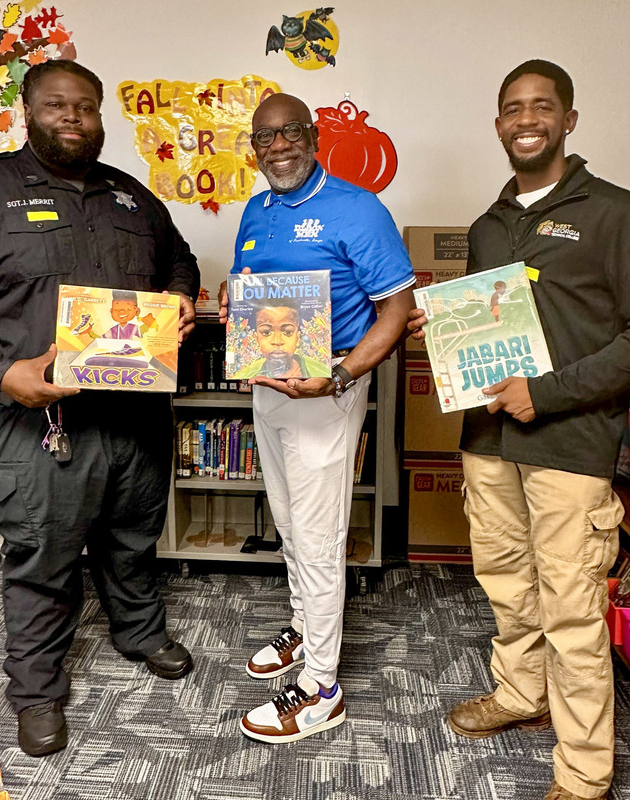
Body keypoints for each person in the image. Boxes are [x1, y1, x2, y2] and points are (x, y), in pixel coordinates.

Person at [0, 60, 200, 757]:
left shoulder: (129, 196)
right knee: (42, 555)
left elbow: (179, 259)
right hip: (30, 421)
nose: (71, 117)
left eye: (85, 106)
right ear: (27, 110)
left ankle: (141, 633)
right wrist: (3, 370)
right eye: (56, 105)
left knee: (131, 537)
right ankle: (36, 690)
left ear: (99, 116)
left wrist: (181, 296)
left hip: (131, 416)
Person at [408, 60, 629, 800]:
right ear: (498, 123)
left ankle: (586, 772)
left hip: (570, 443)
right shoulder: (488, 226)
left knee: (571, 607)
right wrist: (441, 331)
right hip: (488, 442)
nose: (525, 118)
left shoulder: (615, 214)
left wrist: (550, 393)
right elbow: (488, 325)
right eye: (512, 107)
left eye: (542, 106)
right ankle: (521, 693)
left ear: (568, 119)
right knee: (506, 582)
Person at [219, 93, 415, 743]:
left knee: (321, 534)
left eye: (290, 133)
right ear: (255, 148)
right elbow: (252, 295)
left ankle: (322, 687)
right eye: (264, 138)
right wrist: (230, 303)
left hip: (326, 388)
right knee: (291, 523)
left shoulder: (358, 208)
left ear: (313, 136)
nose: (277, 147)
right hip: (269, 388)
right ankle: (306, 628)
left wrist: (338, 375)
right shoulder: (256, 209)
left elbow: (394, 311)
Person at [232, 299, 327, 379]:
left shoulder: (321, 372)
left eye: (288, 332)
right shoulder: (246, 374)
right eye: (266, 332)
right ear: (256, 337)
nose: (277, 341)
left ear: (298, 335)